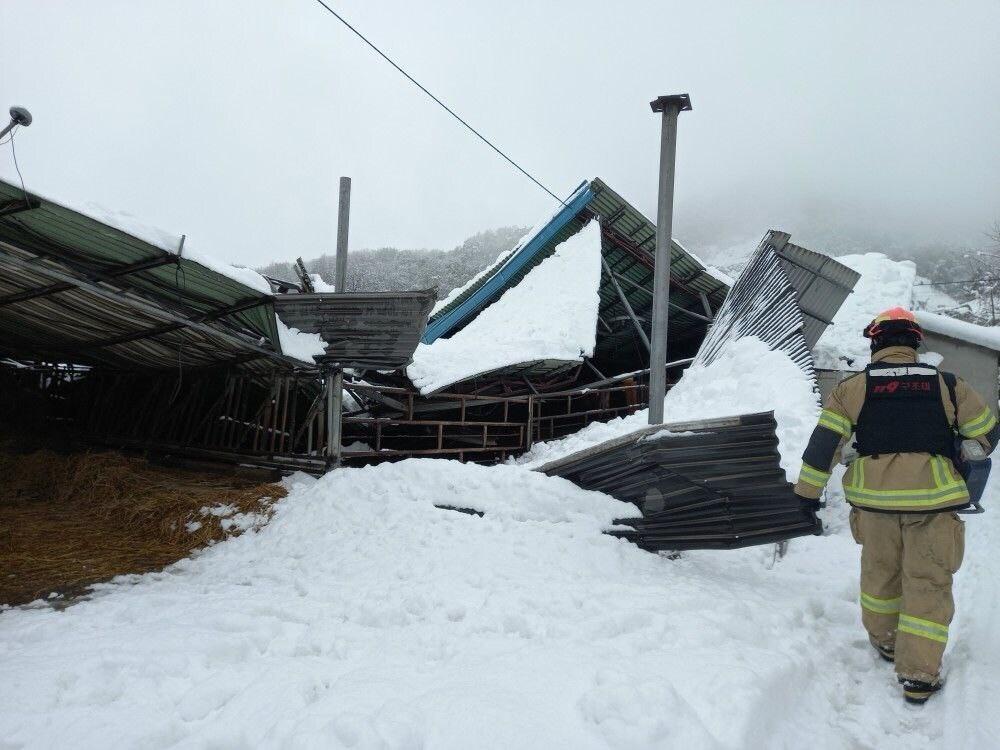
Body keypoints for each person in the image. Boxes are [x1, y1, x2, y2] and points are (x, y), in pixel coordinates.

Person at [793, 307, 998, 704]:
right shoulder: (948, 384)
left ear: (875, 342)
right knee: (928, 581)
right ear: (915, 343)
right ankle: (919, 675)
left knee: (880, 576)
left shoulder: (852, 388)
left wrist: (806, 496)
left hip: (873, 504)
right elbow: (985, 437)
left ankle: (887, 644)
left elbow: (823, 449)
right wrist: (959, 453)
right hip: (933, 501)